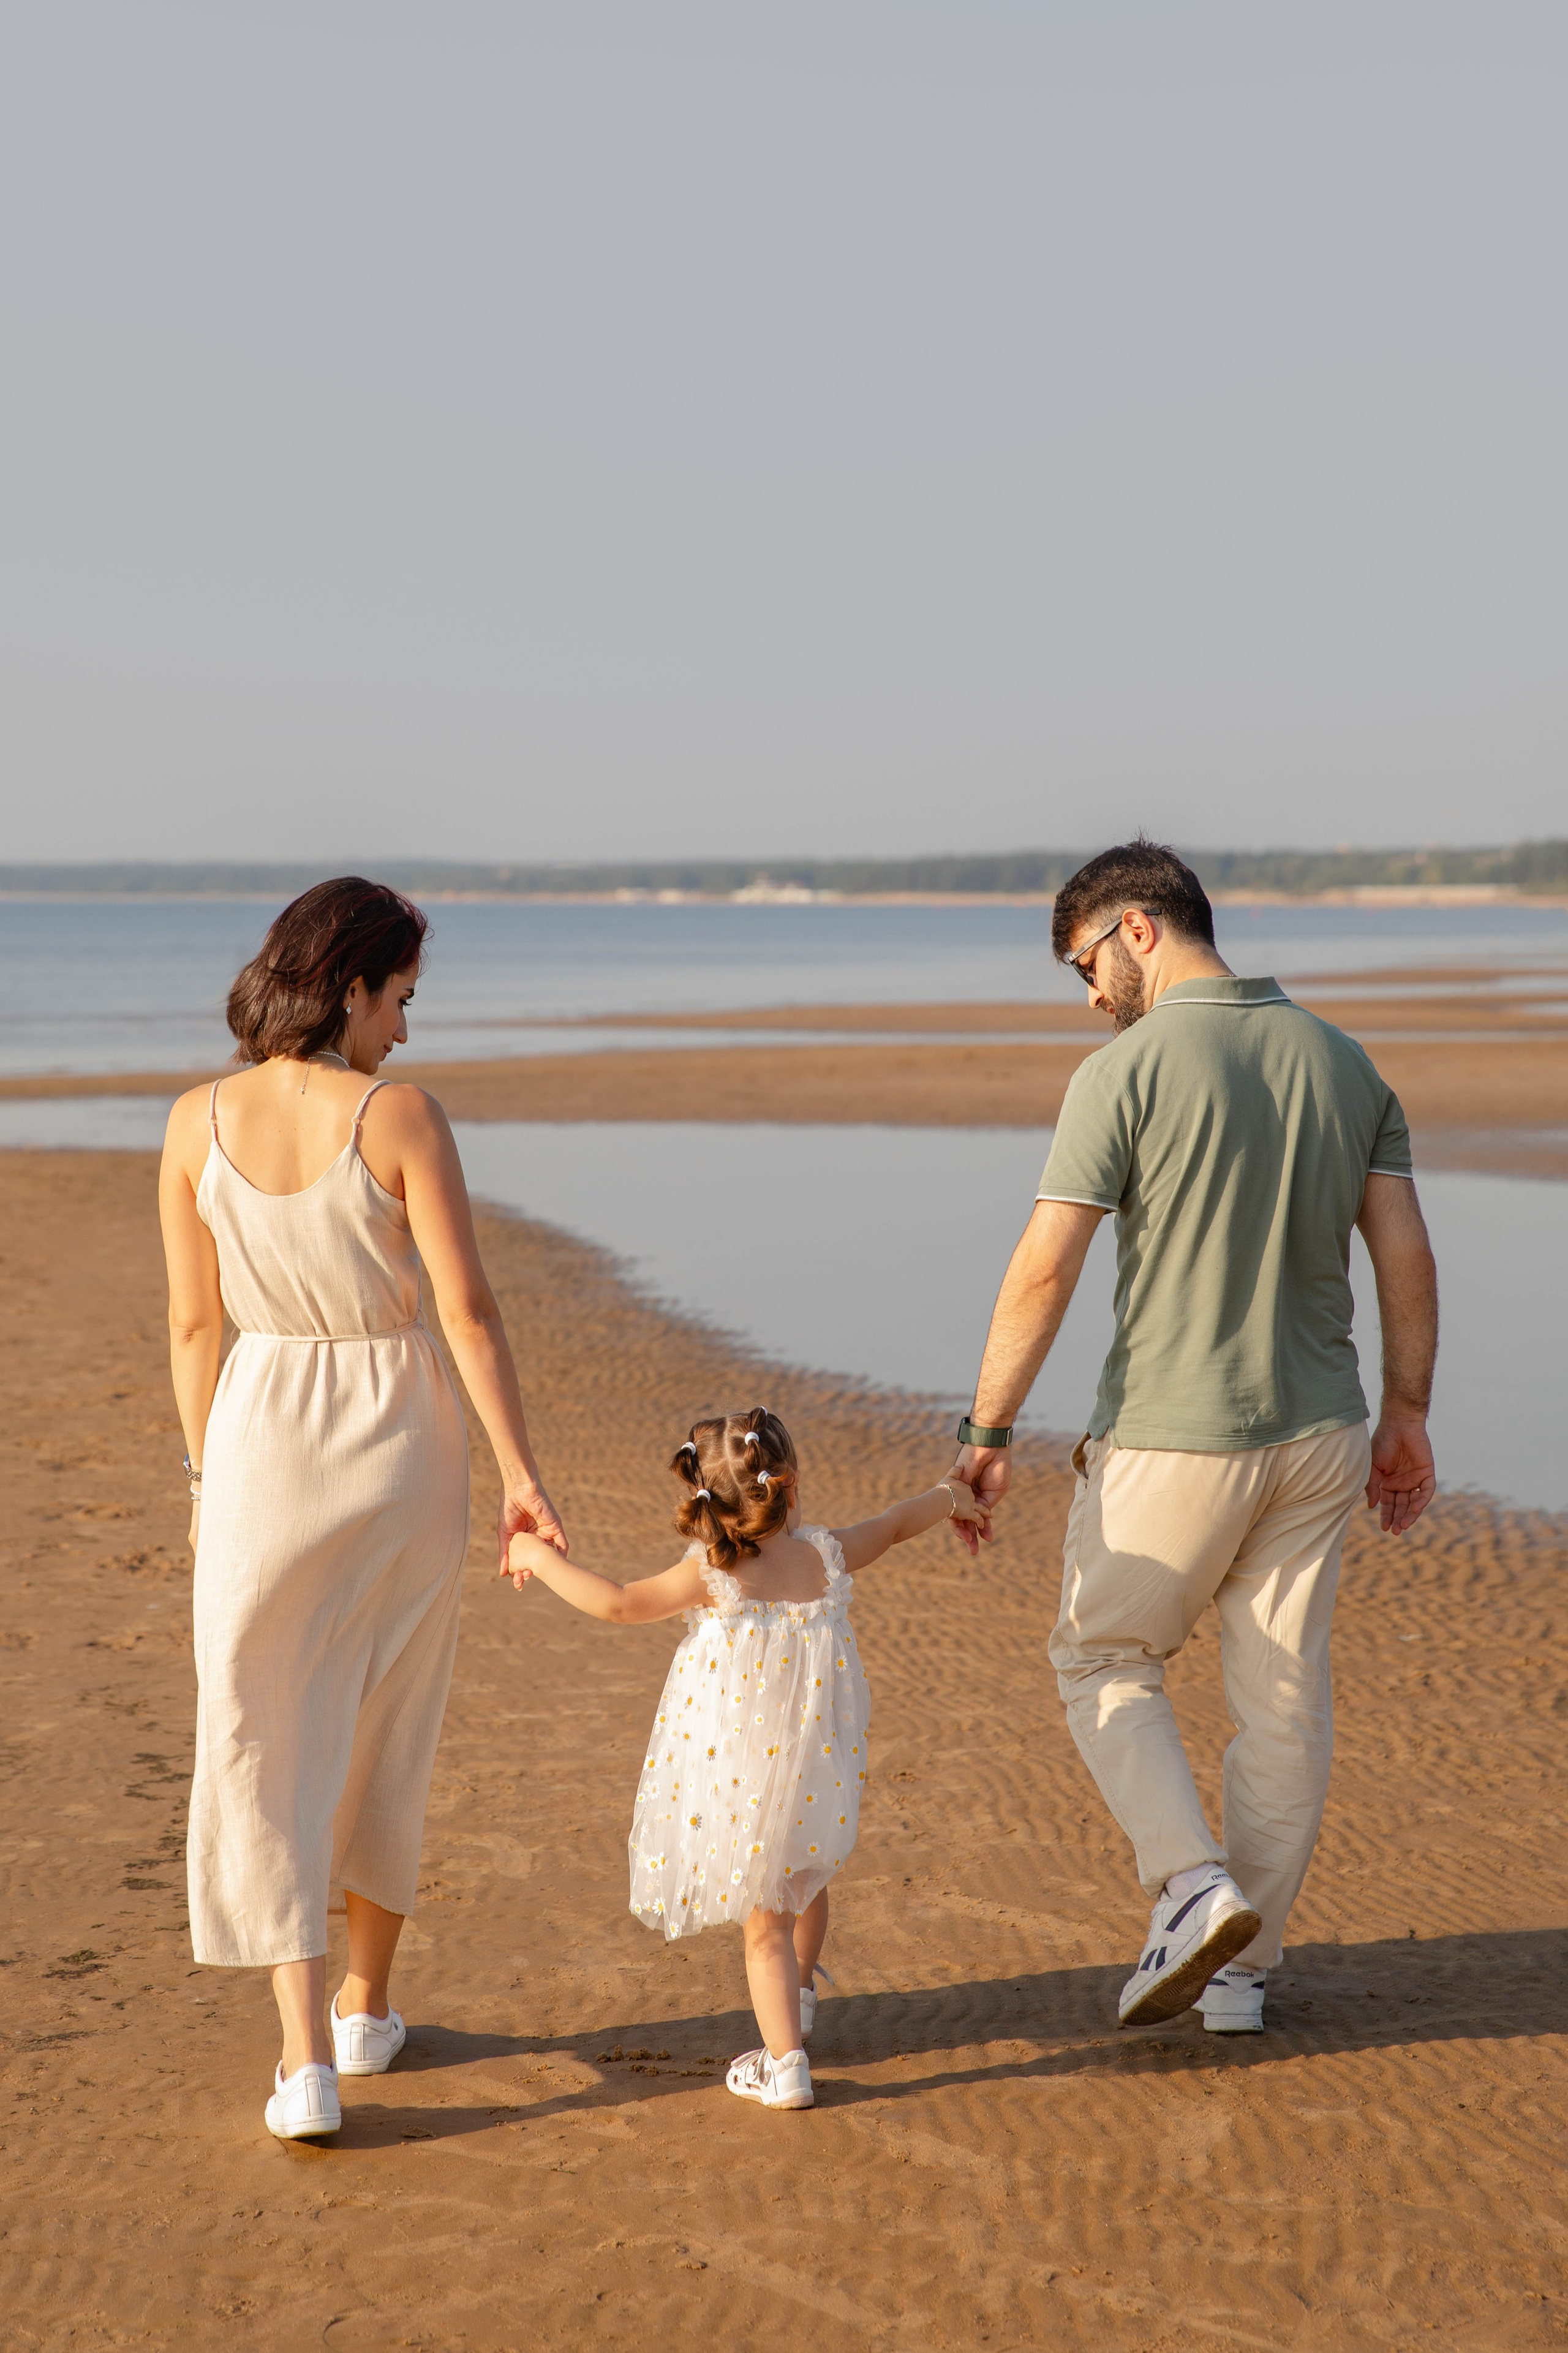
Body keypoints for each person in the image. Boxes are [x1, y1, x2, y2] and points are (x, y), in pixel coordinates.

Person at [949, 838, 1438, 2035]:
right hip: (1320, 1430)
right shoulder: (1341, 1060)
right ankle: (1237, 1972)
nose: (1086, 998)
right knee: (1280, 1707)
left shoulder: (1122, 1074)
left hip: (1172, 1437)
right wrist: (1409, 1411)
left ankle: (1188, 1885)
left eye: (1082, 965)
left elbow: (1042, 1269)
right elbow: (1404, 1255)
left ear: (1135, 928)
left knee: (1101, 1657)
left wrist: (986, 1425)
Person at [159, 875, 566, 2142]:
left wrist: (200, 1479)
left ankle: (303, 2069)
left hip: (258, 1436)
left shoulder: (189, 1120)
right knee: (389, 1718)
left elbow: (191, 1324)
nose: (407, 1028)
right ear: (349, 986)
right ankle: (363, 2008)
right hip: (400, 1435)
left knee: (265, 1730)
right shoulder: (399, 1117)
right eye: (401, 998)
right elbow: (468, 1312)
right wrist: (521, 1477)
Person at [506, 1407, 987, 2109]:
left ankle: (783, 2063)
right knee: (806, 1879)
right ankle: (799, 1994)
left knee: (763, 1917)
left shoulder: (710, 1572)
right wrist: (952, 1494)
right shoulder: (823, 1554)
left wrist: (537, 1557)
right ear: (788, 1487)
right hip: (815, 1763)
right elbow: (892, 1522)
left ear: (708, 1502)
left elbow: (615, 1604)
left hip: (740, 1771)